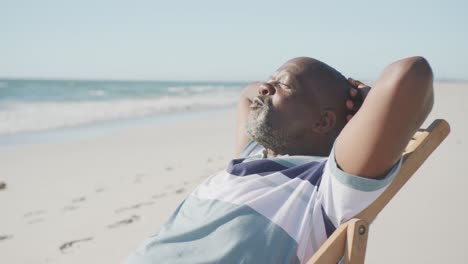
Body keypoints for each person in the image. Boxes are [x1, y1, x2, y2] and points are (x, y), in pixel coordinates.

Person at [126, 56, 434, 263]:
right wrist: (277, 84)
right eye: (269, 81)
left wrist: (365, 98)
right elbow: (248, 95)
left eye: (283, 86)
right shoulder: (252, 156)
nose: (264, 87)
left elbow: (411, 73)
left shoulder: (328, 187)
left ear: (323, 123)